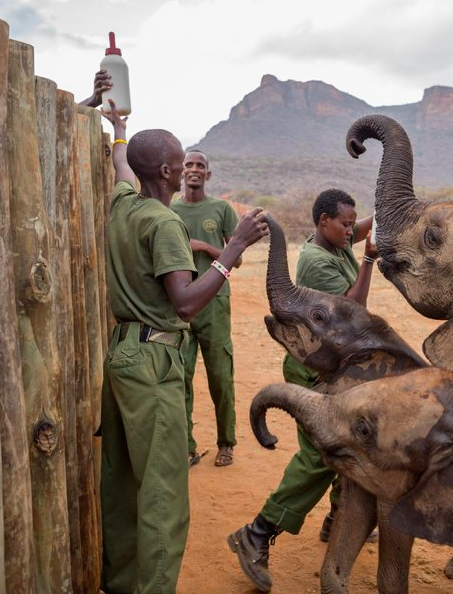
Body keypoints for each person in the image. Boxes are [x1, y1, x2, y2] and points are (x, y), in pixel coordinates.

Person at [99, 99, 268, 594]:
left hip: (123, 355)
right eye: (180, 162)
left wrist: (119, 130)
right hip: (154, 363)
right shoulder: (164, 223)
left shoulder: (123, 204)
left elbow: (120, 165)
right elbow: (187, 303)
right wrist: (232, 250)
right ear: (171, 171)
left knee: (124, 485)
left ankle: (122, 583)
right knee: (164, 495)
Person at [227, 189, 378, 593]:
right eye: (344, 224)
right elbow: (352, 309)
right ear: (323, 221)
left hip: (330, 365)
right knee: (319, 454)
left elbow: (364, 227)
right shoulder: (316, 260)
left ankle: (337, 518)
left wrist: (384, 211)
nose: (351, 230)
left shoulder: (337, 240)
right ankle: (257, 532)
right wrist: (368, 259)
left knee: (342, 440)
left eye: (352, 223)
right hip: (309, 368)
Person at [170, 150, 240, 468]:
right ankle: (186, 446)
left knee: (220, 376)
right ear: (181, 172)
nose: (194, 169)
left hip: (214, 303)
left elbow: (235, 258)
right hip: (181, 304)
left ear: (208, 175)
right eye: (189, 165)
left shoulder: (221, 209)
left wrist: (205, 247)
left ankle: (226, 443)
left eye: (200, 166)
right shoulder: (170, 210)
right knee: (180, 376)